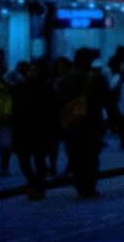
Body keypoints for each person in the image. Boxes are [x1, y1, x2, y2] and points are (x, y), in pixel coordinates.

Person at [56, 49, 108, 198]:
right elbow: (106, 100)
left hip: (72, 124)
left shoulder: (64, 80)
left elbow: (58, 102)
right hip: (92, 122)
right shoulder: (97, 78)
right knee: (91, 155)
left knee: (75, 154)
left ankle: (79, 183)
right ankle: (89, 184)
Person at [13, 60, 57, 200]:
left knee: (39, 160)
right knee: (24, 160)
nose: (31, 73)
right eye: (30, 70)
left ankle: (39, 186)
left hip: (39, 130)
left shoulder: (47, 89)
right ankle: (33, 183)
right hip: (23, 129)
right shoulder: (20, 87)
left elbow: (52, 112)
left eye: (34, 70)